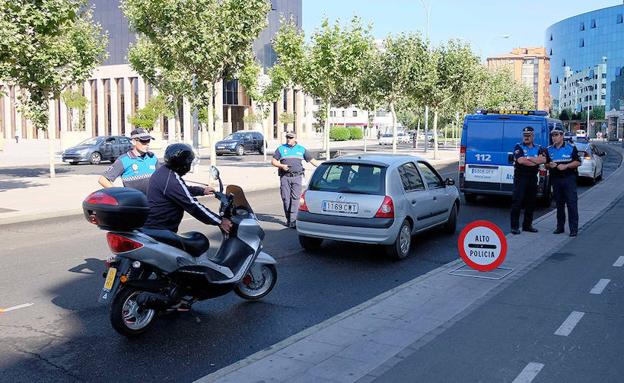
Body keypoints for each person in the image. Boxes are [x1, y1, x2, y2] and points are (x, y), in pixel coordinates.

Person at [143, 143, 232, 234]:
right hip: (161, 231)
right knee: (199, 243)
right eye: (189, 162)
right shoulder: (171, 180)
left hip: (155, 228)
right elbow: (192, 205)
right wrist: (220, 221)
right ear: (183, 164)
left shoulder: (164, 172)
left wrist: (202, 190)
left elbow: (181, 190)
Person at [271, 132, 320, 228]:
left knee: (295, 199)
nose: (288, 139)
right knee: (286, 199)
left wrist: (325, 166)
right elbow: (273, 161)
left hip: (297, 177)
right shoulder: (281, 148)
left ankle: (293, 221)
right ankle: (289, 218)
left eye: (291, 137)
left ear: (295, 138)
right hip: (285, 177)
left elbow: (313, 161)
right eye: (287, 137)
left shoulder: (301, 149)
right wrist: (281, 166)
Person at [98, 128, 159, 195]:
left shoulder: (152, 157)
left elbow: (161, 177)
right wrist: (119, 194)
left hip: (154, 201)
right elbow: (103, 180)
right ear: (134, 142)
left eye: (148, 141)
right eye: (143, 141)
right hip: (136, 203)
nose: (147, 144)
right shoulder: (124, 160)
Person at [510, 126, 546, 235]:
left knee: (531, 202)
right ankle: (514, 227)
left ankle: (527, 225)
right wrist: (535, 161)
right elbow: (521, 161)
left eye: (528, 135)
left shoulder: (538, 148)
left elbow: (543, 160)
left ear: (533, 136)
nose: (526, 137)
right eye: (524, 136)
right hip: (521, 177)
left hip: (532, 177)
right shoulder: (518, 147)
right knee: (517, 202)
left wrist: (529, 159)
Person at [546, 126, 581, 237]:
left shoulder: (571, 148)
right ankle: (560, 227)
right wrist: (549, 165)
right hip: (556, 180)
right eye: (552, 135)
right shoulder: (549, 149)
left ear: (562, 136)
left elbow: (578, 162)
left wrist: (566, 166)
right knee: (559, 205)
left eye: (556, 135)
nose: (554, 137)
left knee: (571, 204)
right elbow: (546, 164)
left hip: (569, 179)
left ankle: (573, 229)